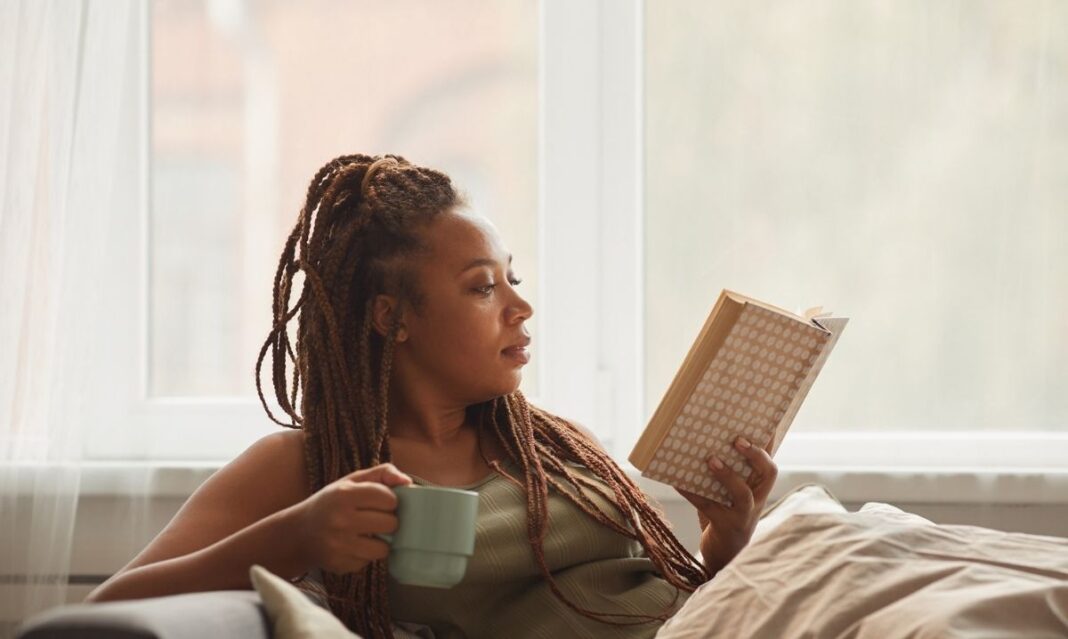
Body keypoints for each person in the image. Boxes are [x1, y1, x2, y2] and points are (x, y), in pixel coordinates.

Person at [84, 154, 779, 638]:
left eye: (513, 277)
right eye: (483, 286)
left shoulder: (560, 445)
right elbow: (103, 613)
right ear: (393, 317)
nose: (521, 306)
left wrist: (726, 542)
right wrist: (293, 536)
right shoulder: (308, 467)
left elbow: (659, 594)